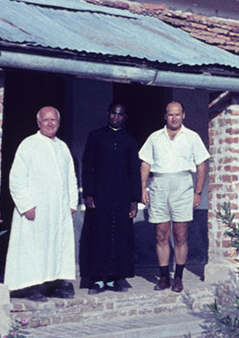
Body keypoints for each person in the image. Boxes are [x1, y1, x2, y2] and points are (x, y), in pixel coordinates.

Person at [4, 106, 78, 301]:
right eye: (46, 120)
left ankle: (54, 284)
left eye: (54, 120)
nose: (50, 123)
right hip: (35, 209)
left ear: (59, 123)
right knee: (33, 247)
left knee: (57, 246)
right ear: (38, 123)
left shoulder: (62, 147)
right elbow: (17, 178)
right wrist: (26, 204)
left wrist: (72, 203)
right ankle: (32, 287)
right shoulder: (28, 144)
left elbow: (71, 176)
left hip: (59, 209)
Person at [139, 101, 209, 293]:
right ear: (165, 116)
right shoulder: (155, 137)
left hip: (182, 187)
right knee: (161, 234)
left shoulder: (192, 137)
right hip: (159, 186)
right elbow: (145, 163)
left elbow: (202, 164)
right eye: (171, 114)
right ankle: (163, 278)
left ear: (183, 115)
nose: (174, 118)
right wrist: (143, 188)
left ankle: (178, 277)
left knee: (180, 235)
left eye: (178, 114)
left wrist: (198, 192)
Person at [78, 102, 142, 295]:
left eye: (120, 115)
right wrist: (88, 194)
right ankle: (97, 279)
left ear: (125, 118)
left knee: (120, 236)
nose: (116, 117)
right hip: (100, 195)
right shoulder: (96, 137)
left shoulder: (130, 141)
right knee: (98, 235)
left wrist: (134, 200)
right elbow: (87, 165)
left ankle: (115, 278)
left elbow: (134, 171)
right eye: (113, 113)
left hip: (122, 196)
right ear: (108, 114)